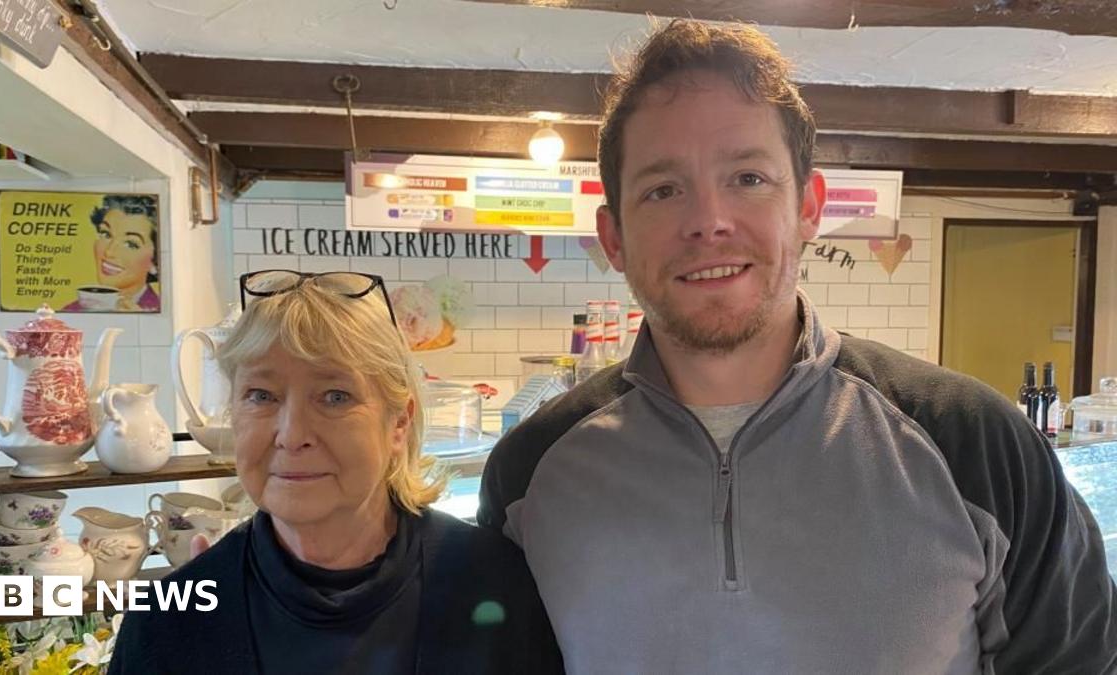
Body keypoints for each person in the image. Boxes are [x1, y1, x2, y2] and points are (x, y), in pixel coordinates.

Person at [478, 19, 1117, 674]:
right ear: (613, 237)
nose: (708, 222)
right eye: (663, 190)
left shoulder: (976, 445)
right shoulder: (531, 475)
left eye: (748, 178)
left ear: (809, 206)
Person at [110, 270, 562, 674]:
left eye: (335, 397)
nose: (292, 434)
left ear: (399, 423)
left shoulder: (498, 584)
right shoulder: (169, 622)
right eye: (261, 395)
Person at [62, 194, 161, 312]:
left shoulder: (159, 312)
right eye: (106, 234)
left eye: (130, 244)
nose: (109, 252)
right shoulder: (71, 310)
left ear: (154, 262)